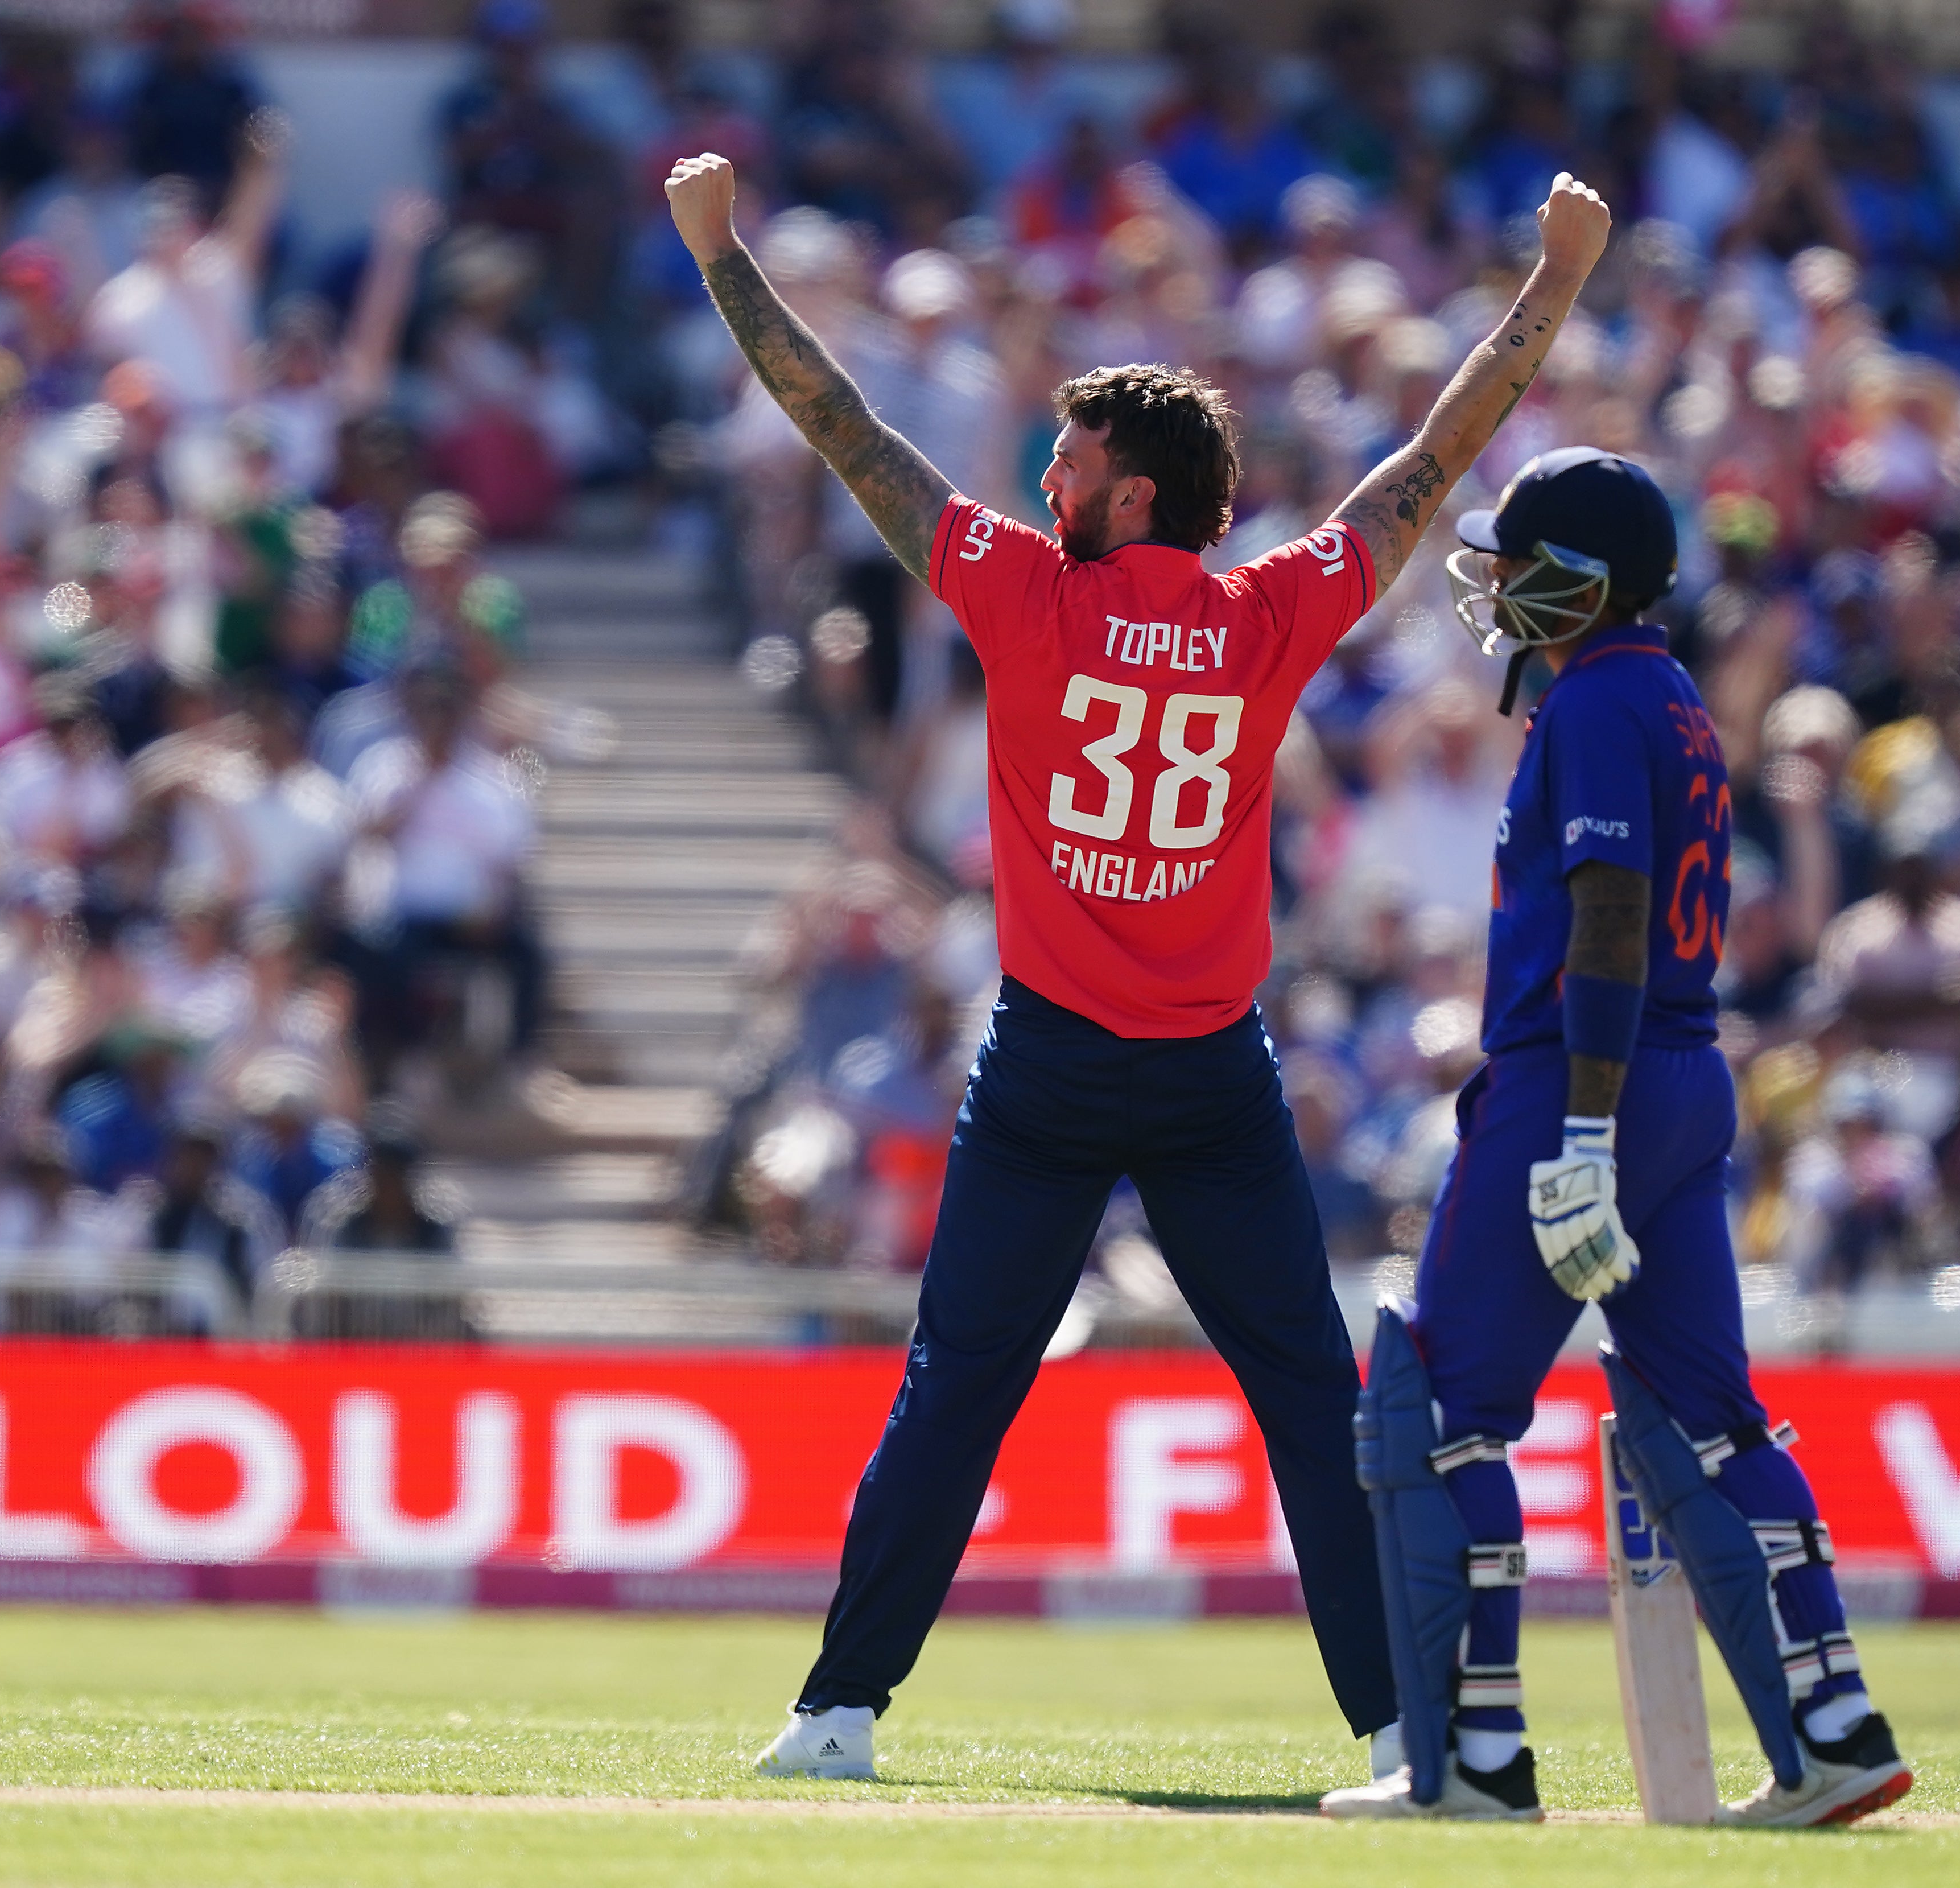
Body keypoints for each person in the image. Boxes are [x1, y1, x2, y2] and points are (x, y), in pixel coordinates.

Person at [663, 149, 1617, 1786]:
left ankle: (838, 1713)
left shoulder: (1023, 595)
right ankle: (1400, 1728)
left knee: (955, 1389)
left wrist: (718, 254)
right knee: (1311, 1400)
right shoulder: (1265, 618)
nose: (1045, 469)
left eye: (1070, 456)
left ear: (1125, 499)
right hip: (1206, 1072)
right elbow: (1433, 458)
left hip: (1045, 1068)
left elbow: (841, 430)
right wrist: (1551, 285)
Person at [1321, 450, 1913, 1825]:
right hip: (1689, 1075)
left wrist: (1581, 1128)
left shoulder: (1592, 701)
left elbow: (1607, 917)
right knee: (1704, 1418)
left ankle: (1470, 1760)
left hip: (1579, 1077)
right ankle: (1832, 1726)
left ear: (1582, 578)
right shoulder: (1676, 697)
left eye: (1522, 564)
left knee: (1436, 1411)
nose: (1502, 588)